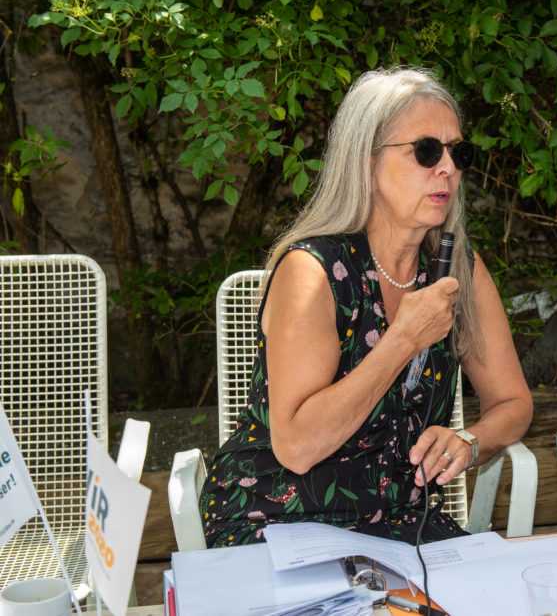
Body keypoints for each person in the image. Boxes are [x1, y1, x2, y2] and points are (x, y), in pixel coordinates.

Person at [199, 67, 532, 547]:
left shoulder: (460, 271)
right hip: (277, 516)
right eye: (425, 151)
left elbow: (514, 404)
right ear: (366, 163)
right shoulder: (312, 272)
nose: (448, 168)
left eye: (458, 153)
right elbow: (296, 446)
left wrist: (470, 440)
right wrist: (403, 339)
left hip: (397, 521)